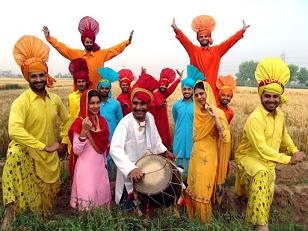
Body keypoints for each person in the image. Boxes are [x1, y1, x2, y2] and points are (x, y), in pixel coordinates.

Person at [1, 35, 70, 230]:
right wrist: (44, 146)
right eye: (34, 76)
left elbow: (68, 121)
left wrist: (64, 142)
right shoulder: (21, 102)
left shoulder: (54, 99)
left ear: (46, 75)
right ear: (28, 78)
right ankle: (12, 217)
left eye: (41, 75)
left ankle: (41, 219)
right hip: (28, 154)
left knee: (47, 202)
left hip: (48, 159)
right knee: (13, 157)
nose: (38, 79)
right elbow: (14, 130)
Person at [234, 58, 306, 231]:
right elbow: (261, 148)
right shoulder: (255, 119)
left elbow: (284, 135)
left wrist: (294, 150)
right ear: (261, 96)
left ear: (280, 98)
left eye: (275, 97)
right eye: (267, 96)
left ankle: (251, 222)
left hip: (268, 161)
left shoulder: (279, 115)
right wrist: (288, 159)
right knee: (261, 174)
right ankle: (261, 226)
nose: (271, 100)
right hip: (248, 158)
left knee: (267, 191)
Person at [109, 68, 175, 211]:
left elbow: (156, 140)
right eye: (135, 103)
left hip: (148, 171)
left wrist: (164, 151)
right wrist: (131, 169)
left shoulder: (150, 118)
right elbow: (115, 149)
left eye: (142, 104)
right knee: (129, 211)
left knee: (146, 208)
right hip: (130, 175)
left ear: (148, 105)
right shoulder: (125, 123)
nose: (138, 107)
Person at [186, 67, 231, 223]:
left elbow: (225, 138)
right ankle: (193, 220)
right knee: (193, 185)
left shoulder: (218, 113)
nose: (199, 97)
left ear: (208, 93)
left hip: (209, 156)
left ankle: (204, 223)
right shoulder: (197, 112)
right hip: (196, 154)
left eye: (202, 93)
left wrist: (215, 118)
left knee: (202, 189)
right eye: (196, 94)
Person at [171, 15, 249, 104]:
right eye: (201, 37)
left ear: (209, 37)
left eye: (205, 36)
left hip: (211, 91)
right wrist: (176, 29)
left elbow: (229, 42)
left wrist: (241, 31)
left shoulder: (217, 50)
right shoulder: (193, 50)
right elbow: (184, 40)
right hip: (196, 91)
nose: (204, 38)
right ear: (198, 39)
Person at [42, 16, 133, 89]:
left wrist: (127, 42)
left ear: (93, 42)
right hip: (81, 91)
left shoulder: (101, 54)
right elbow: (62, 48)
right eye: (87, 42)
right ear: (83, 42)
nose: (89, 44)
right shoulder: (77, 54)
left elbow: (114, 50)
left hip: (96, 92)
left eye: (91, 42)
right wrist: (49, 38)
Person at [68, 89, 111, 210]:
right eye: (92, 103)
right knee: (88, 196)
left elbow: (105, 145)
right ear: (85, 104)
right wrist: (84, 131)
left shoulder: (102, 121)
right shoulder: (80, 122)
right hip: (86, 168)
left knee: (101, 193)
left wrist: (105, 163)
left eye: (98, 102)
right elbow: (76, 150)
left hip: (100, 166)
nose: (96, 106)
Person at [97, 67, 123, 177]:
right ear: (98, 89)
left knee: (112, 160)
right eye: (102, 88)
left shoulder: (116, 104)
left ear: (109, 90)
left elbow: (121, 122)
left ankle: (112, 181)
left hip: (113, 136)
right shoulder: (95, 104)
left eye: (106, 88)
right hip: (98, 136)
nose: (104, 90)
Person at [172, 66, 195, 177]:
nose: (186, 91)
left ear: (193, 90)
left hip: (192, 141)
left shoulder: (197, 106)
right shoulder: (176, 105)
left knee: (191, 172)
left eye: (189, 89)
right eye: (184, 89)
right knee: (178, 173)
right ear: (181, 89)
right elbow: (176, 119)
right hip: (179, 140)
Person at [150, 68, 182, 149]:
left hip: (163, 123)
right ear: (159, 84)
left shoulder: (164, 95)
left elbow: (171, 89)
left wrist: (179, 79)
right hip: (156, 124)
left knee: (163, 143)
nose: (163, 86)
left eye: (165, 85)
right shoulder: (154, 94)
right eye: (161, 84)